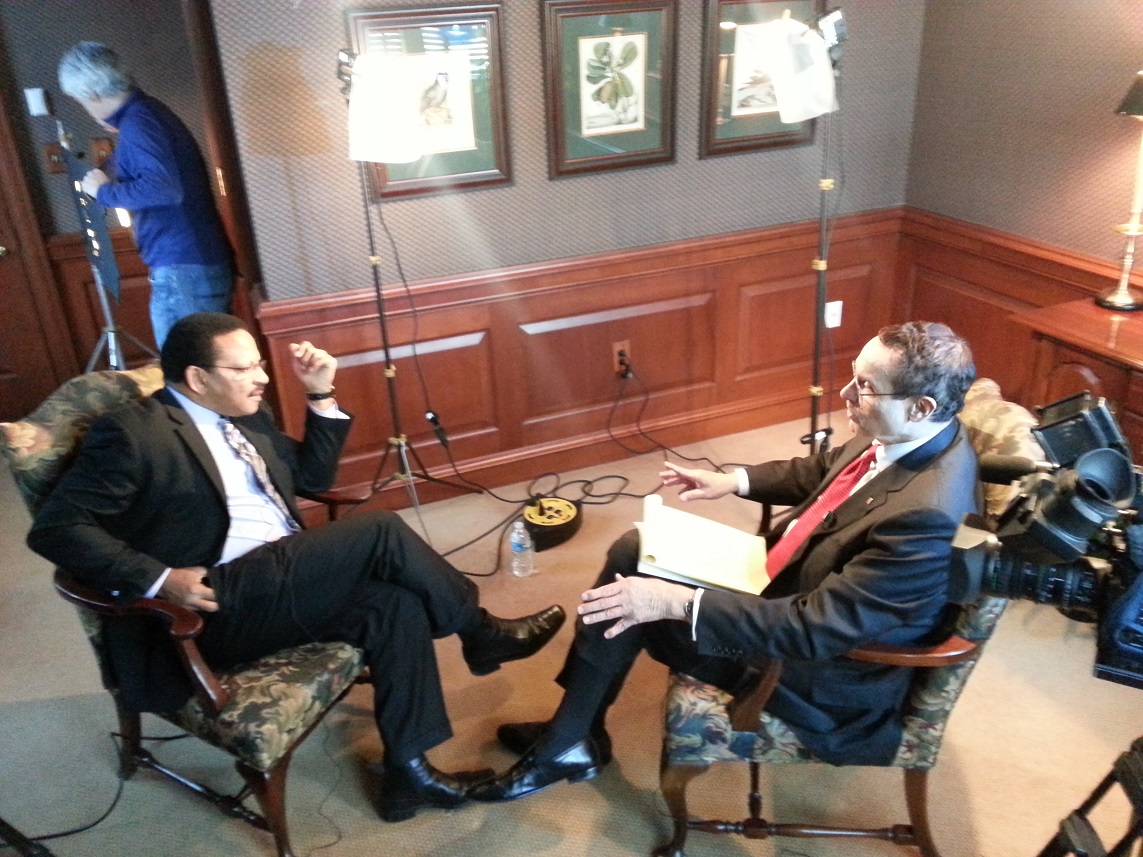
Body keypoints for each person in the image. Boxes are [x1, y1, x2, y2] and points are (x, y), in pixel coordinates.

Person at [27, 312, 566, 822]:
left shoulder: (246, 414)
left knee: (394, 604)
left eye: (260, 364)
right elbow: (57, 528)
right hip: (209, 605)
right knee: (379, 529)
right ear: (197, 378)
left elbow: (311, 477)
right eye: (245, 368)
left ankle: (409, 774)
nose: (262, 378)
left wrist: (320, 393)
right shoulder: (132, 434)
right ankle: (480, 631)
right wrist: (161, 579)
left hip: (281, 581)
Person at [469, 321, 981, 802]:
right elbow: (829, 468)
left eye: (864, 387)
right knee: (633, 552)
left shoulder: (924, 515)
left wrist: (675, 601)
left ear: (921, 406)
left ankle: (568, 740)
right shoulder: (908, 430)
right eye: (853, 376)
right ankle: (575, 732)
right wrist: (732, 480)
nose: (845, 393)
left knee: (633, 602)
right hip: (782, 580)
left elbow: (816, 630)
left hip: (811, 670)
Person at [58, 42, 234, 348]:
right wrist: (106, 169)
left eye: (80, 101)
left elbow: (164, 188)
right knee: (208, 363)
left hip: (183, 268)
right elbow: (141, 170)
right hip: (192, 264)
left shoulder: (140, 123)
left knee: (187, 367)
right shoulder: (146, 115)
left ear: (92, 94)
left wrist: (103, 192)